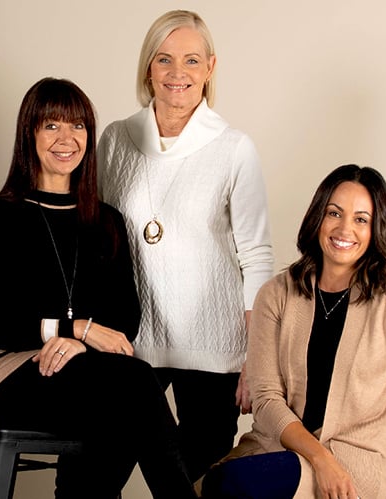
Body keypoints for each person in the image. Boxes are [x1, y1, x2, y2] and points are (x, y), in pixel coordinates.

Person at [0, 77, 198, 499]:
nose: (66, 138)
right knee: (136, 388)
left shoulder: (106, 222)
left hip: (88, 371)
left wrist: (81, 344)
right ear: (29, 134)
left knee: (123, 403)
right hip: (12, 370)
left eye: (77, 126)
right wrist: (79, 331)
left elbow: (125, 318)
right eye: (51, 126)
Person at [97, 10, 274, 482]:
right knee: (95, 472)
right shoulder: (116, 140)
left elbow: (256, 256)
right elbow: (94, 242)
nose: (179, 74)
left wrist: (257, 360)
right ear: (147, 69)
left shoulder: (234, 147)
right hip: (131, 341)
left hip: (213, 343)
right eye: (165, 59)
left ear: (210, 68)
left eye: (192, 60)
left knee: (196, 481)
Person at [201, 164, 386, 499]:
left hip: (354, 465)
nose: (345, 228)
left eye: (361, 219)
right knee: (209, 485)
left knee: (232, 486)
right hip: (277, 450)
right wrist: (320, 459)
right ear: (318, 216)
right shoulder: (276, 294)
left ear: (377, 228)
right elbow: (267, 399)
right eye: (335, 213)